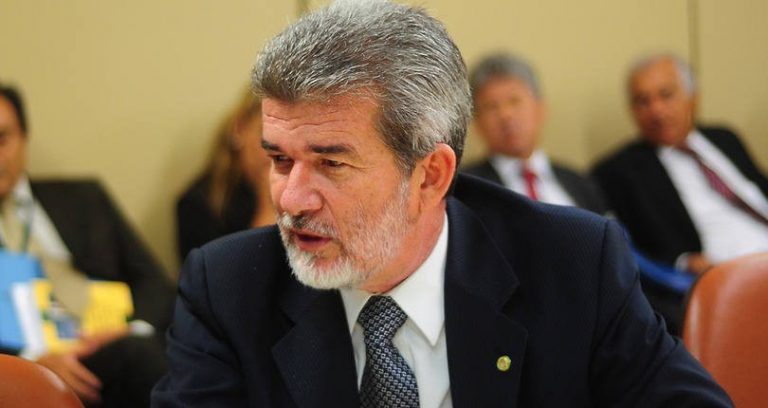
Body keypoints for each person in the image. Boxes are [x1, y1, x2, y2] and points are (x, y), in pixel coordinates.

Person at [152, 1, 732, 407]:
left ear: (430, 176)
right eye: (280, 160)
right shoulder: (227, 290)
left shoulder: (572, 263)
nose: (292, 199)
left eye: (331, 164)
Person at [0, 82, 174, 407]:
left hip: (112, 344)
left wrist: (133, 329)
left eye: (2, 139)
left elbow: (152, 281)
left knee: (151, 353)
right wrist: (30, 362)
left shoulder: (84, 200)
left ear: (24, 137)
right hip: (22, 366)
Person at [592, 54, 768, 331]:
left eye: (666, 95)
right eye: (643, 101)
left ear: (692, 97)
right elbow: (635, 249)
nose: (656, 111)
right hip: (727, 275)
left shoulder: (724, 138)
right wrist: (684, 261)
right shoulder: (618, 171)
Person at [463, 52, 607, 214]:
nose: (506, 115)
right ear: (476, 122)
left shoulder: (579, 181)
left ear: (540, 109)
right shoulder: (466, 187)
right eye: (492, 106)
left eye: (515, 101)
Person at [176, 88, 274, 261]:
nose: (278, 151)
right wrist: (268, 208)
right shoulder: (200, 204)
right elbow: (233, 275)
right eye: (268, 134)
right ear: (239, 128)